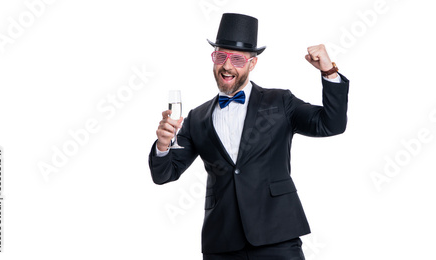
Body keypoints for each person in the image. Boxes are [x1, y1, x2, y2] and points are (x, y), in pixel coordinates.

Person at [149, 13, 349, 259]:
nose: (227, 66)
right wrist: (162, 144)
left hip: (277, 238)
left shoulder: (280, 102)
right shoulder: (197, 118)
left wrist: (329, 71)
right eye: (220, 56)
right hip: (221, 243)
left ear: (252, 64)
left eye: (237, 59)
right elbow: (163, 174)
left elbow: (332, 124)